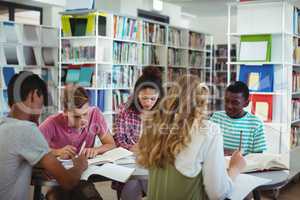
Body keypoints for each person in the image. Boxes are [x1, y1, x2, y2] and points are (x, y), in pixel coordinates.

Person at [136, 74, 246, 200]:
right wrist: (234, 169)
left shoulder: (153, 125)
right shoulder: (208, 130)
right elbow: (218, 193)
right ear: (202, 102)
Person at [0, 71, 88, 200]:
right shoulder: (26, 129)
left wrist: (35, 166)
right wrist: (80, 164)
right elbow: (68, 181)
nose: (41, 110)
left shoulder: (4, 124)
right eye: (42, 103)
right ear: (34, 95)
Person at [112, 67, 164, 200]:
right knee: (135, 179)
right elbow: (118, 140)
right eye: (144, 98)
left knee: (147, 179)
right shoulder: (125, 109)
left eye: (153, 99)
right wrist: (132, 148)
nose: (148, 103)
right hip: (130, 162)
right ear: (136, 94)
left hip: (155, 163)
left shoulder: (164, 112)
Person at [39, 85, 115, 159]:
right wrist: (58, 152)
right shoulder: (51, 123)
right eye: (76, 117)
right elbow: (31, 150)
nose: (83, 121)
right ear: (65, 112)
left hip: (87, 168)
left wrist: (96, 150)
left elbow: (111, 144)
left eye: (85, 114)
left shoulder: (95, 114)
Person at [210, 81, 267, 155]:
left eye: (235, 103)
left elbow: (258, 156)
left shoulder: (256, 124)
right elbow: (207, 146)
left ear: (246, 103)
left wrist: (233, 154)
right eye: (227, 101)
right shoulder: (216, 118)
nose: (229, 106)